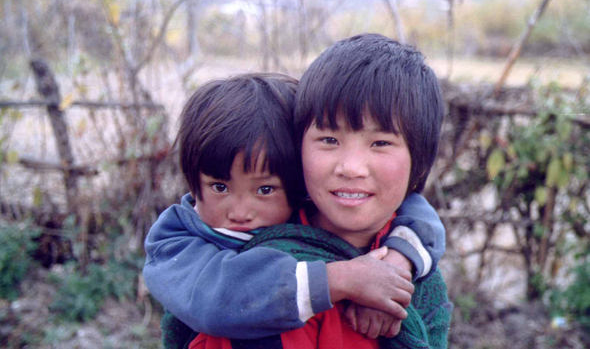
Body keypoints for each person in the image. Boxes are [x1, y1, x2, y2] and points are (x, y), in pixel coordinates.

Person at [143, 68, 446, 346]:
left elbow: (415, 210)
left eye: (264, 189)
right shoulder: (177, 240)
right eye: (220, 187)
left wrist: (396, 262)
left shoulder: (309, 213)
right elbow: (217, 301)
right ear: (193, 180)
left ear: (298, 178)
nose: (239, 211)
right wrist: (343, 280)